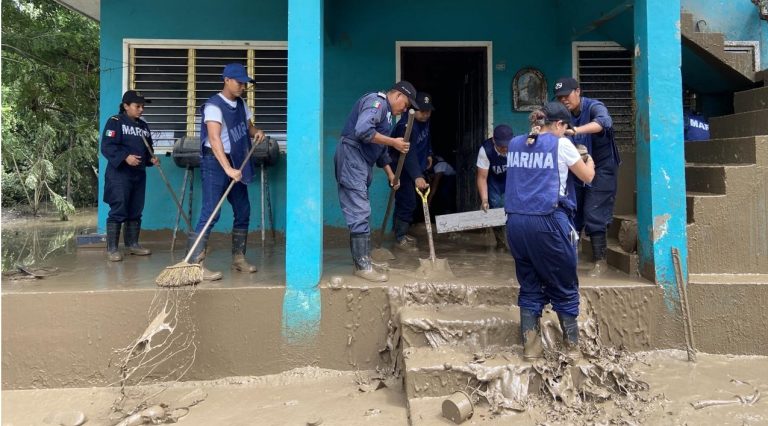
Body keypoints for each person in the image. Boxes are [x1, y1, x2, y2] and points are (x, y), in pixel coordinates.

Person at [504, 102, 595, 361]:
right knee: (564, 282)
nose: (565, 132)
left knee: (530, 283)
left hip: (516, 224)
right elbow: (587, 177)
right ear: (557, 124)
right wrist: (588, 158)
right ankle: (572, 350)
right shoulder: (562, 145)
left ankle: (531, 348)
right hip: (549, 222)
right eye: (564, 128)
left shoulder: (514, 143)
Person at [187, 63, 266, 281]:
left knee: (243, 209)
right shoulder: (214, 106)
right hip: (216, 162)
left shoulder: (241, 104)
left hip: (237, 161)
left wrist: (256, 132)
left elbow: (247, 126)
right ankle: (195, 264)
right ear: (226, 80)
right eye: (239, 82)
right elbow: (213, 139)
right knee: (211, 211)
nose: (242, 86)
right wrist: (228, 168)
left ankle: (238, 257)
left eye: (244, 83)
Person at [335, 81, 419, 282]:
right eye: (405, 104)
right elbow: (363, 131)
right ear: (398, 95)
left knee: (362, 209)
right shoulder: (377, 103)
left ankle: (364, 260)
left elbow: (379, 151)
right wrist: (394, 142)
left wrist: (391, 174)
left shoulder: (387, 116)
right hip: (352, 157)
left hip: (362, 161)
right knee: (359, 210)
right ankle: (362, 265)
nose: (405, 109)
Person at [555, 77, 620, 276]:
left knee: (595, 212)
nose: (564, 100)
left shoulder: (594, 107)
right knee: (573, 211)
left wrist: (575, 131)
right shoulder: (562, 114)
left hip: (602, 168)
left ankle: (600, 261)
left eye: (567, 95)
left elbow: (604, 122)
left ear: (578, 91)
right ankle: (570, 259)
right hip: (578, 167)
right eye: (560, 97)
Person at [100, 90, 160, 262]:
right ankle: (112, 249)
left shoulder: (143, 126)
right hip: (119, 175)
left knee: (135, 209)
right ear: (126, 106)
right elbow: (107, 146)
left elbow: (148, 150)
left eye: (142, 106)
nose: (141, 109)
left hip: (138, 175)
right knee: (119, 209)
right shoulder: (115, 122)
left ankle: (132, 244)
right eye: (137, 106)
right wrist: (126, 157)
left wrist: (151, 159)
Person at [389, 92, 434, 251]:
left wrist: (428, 153)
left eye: (428, 111)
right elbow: (407, 154)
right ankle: (400, 238)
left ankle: (397, 232)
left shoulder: (424, 121)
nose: (427, 114)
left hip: (416, 167)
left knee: (404, 201)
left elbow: (427, 139)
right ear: (412, 109)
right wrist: (417, 176)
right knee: (408, 202)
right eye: (423, 111)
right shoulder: (405, 127)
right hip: (401, 169)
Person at [476, 124, 514, 251]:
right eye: (501, 145)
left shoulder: (518, 146)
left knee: (513, 208)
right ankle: (501, 242)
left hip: (512, 181)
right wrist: (484, 200)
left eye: (506, 145)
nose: (504, 148)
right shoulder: (486, 150)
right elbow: (482, 177)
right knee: (495, 205)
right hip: (494, 182)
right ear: (494, 140)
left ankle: (515, 242)